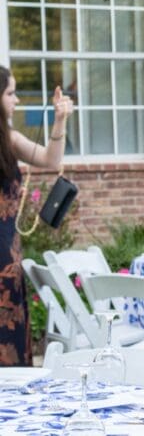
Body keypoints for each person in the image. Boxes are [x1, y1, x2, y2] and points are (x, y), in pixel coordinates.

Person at [0, 66, 74, 366]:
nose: (16, 100)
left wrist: (59, 121)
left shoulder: (10, 139)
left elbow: (50, 159)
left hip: (8, 260)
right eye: (9, 93)